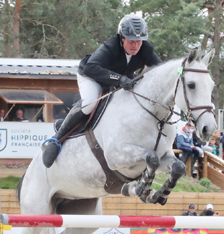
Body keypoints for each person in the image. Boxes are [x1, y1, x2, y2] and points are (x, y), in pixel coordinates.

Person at [41, 15, 162, 167]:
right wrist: (119, 79)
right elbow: (92, 67)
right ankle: (56, 139)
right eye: (131, 41)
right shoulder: (111, 46)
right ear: (122, 38)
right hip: (92, 76)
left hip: (119, 78)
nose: (135, 46)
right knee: (90, 103)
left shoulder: (146, 49)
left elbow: (160, 70)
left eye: (139, 41)